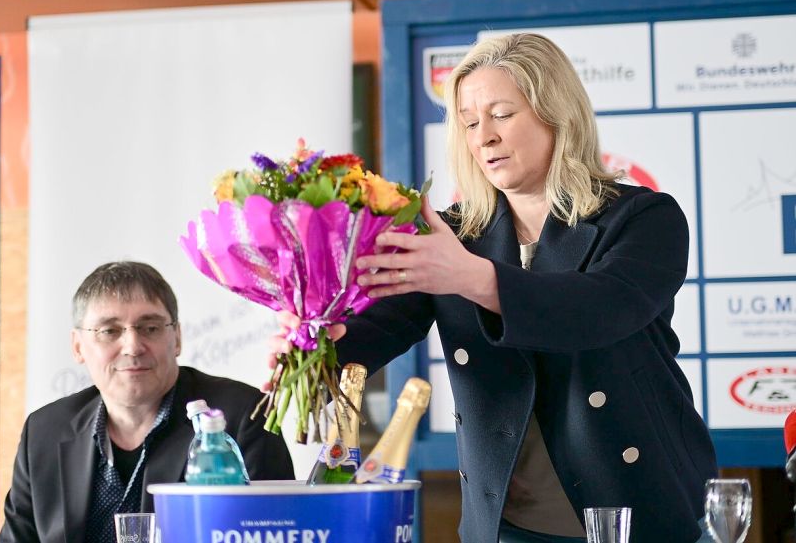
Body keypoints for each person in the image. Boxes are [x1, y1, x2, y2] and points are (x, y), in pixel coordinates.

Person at [270, 33, 717, 543]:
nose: (483, 137)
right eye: (468, 122)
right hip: (506, 525)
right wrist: (310, 346)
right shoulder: (455, 234)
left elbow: (600, 310)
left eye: (502, 114)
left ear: (556, 113)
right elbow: (379, 326)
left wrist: (474, 278)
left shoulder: (643, 217)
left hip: (639, 513)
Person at [0, 261, 294, 543]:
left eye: (150, 328)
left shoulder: (243, 416)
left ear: (176, 338)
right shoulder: (45, 431)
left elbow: (275, 532)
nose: (132, 346)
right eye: (109, 331)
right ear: (78, 346)